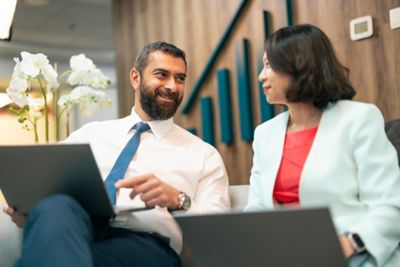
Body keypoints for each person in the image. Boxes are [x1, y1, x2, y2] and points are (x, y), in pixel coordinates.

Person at [3, 42, 230, 267]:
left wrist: (178, 199)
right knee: (55, 207)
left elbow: (220, 234)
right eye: (162, 75)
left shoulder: (203, 154)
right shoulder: (91, 134)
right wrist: (33, 215)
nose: (172, 86)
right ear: (135, 78)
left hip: (146, 245)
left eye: (180, 78)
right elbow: (47, 186)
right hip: (79, 231)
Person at [245, 24, 400, 266]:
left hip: (354, 254)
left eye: (269, 65)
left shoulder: (359, 119)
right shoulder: (266, 134)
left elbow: (389, 205)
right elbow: (257, 208)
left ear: (300, 64)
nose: (261, 76)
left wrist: (349, 243)